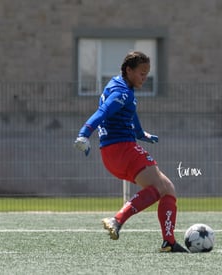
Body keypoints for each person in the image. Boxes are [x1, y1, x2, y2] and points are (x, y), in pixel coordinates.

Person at [74, 51, 187, 253]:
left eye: (147, 73)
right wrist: (84, 134)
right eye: (142, 73)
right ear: (129, 70)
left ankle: (168, 242)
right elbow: (102, 112)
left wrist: (142, 134)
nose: (146, 77)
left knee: (168, 188)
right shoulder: (122, 93)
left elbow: (130, 113)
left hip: (113, 153)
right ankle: (116, 220)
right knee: (160, 188)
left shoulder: (120, 86)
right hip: (122, 150)